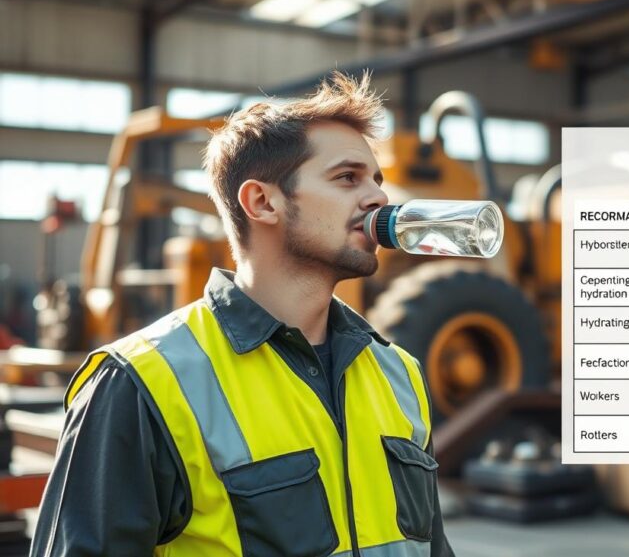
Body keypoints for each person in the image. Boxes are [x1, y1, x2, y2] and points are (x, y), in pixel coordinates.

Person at [30, 71, 456, 557]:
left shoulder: (399, 373)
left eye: (376, 180)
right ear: (261, 202)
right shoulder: (139, 383)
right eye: (347, 178)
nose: (379, 198)